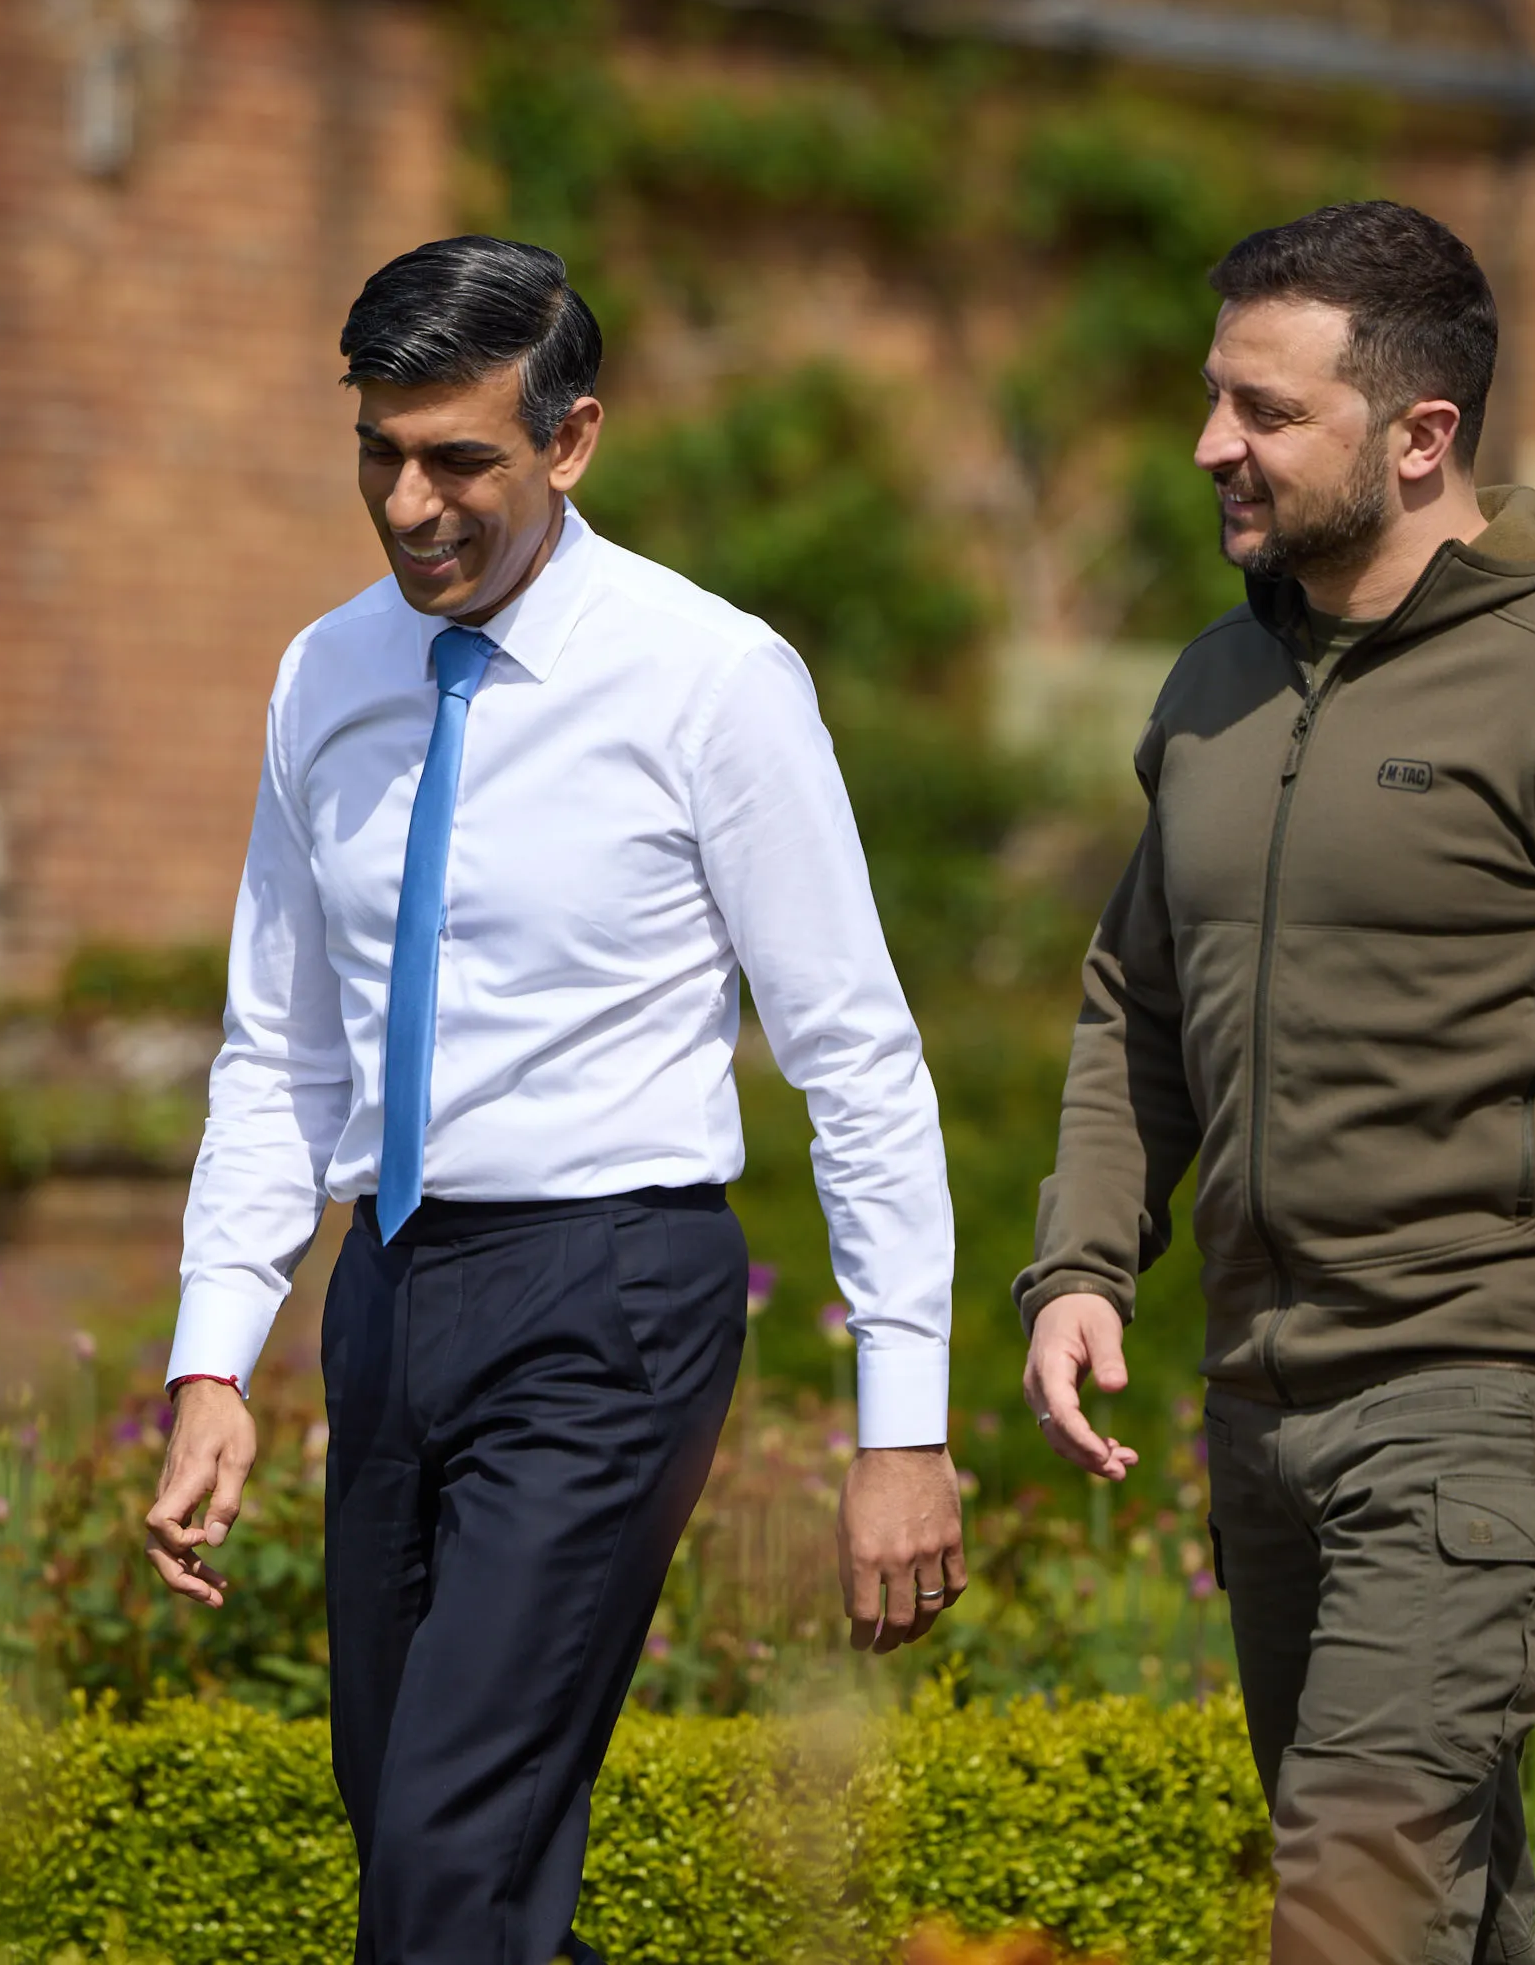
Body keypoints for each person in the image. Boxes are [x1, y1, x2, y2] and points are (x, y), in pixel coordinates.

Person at [1013, 201, 1535, 1961]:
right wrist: (1085, 1261)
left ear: (1421, 435)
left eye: (1266, 410)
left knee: (1351, 1901)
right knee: (1434, 1905)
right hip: (1262, 1395)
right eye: (1215, 396)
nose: (1212, 443)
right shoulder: (1219, 682)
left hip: (1487, 1387)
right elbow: (1133, 1003)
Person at [142, 234, 965, 1965]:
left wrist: (905, 1420)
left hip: (610, 1303)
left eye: (461, 460)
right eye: (380, 452)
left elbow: (856, 1057)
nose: (410, 502)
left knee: (448, 1855)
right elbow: (280, 1049)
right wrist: (216, 1355)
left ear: (572, 440)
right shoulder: (325, 676)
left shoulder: (710, 679)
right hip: (390, 1294)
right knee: (433, 1851)